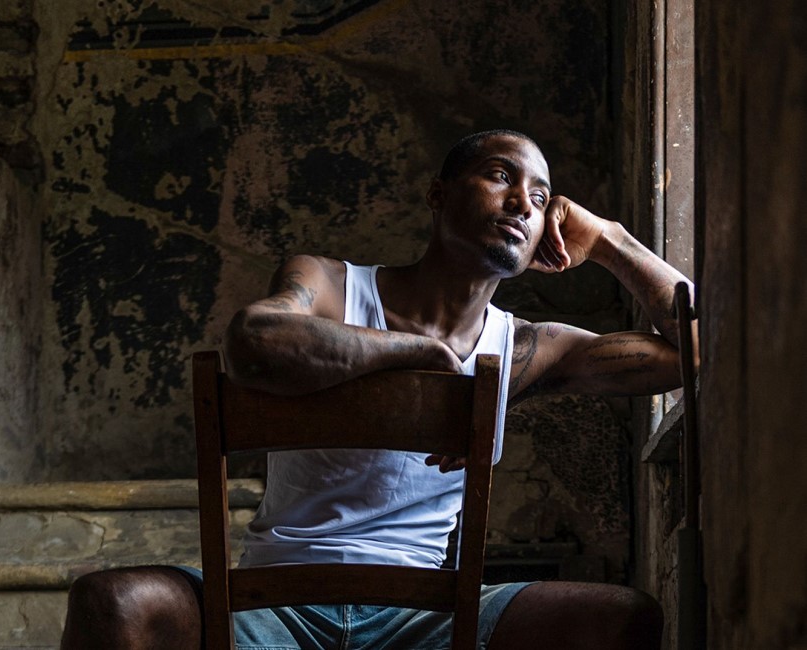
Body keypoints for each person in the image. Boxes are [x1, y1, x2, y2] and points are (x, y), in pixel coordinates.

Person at [61, 129, 687, 649]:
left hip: (421, 620)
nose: (523, 202)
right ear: (438, 195)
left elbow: (689, 354)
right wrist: (423, 356)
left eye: (541, 195)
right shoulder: (331, 284)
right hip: (274, 605)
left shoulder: (525, 347)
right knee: (110, 602)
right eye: (501, 176)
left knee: (621, 618)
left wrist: (608, 240)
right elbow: (254, 339)